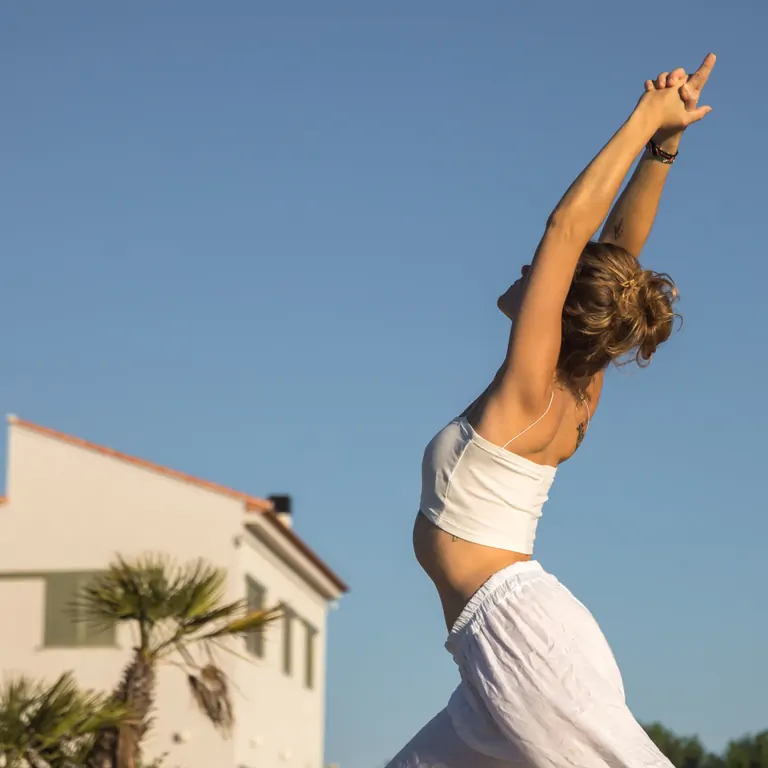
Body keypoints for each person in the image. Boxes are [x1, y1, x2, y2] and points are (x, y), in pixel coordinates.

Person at [388, 54, 717, 768]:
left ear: (556, 306)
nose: (521, 274)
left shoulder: (530, 392)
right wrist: (665, 148)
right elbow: (616, 255)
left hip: (520, 641)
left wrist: (644, 119)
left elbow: (570, 233)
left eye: (533, 276)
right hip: (495, 648)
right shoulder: (577, 382)